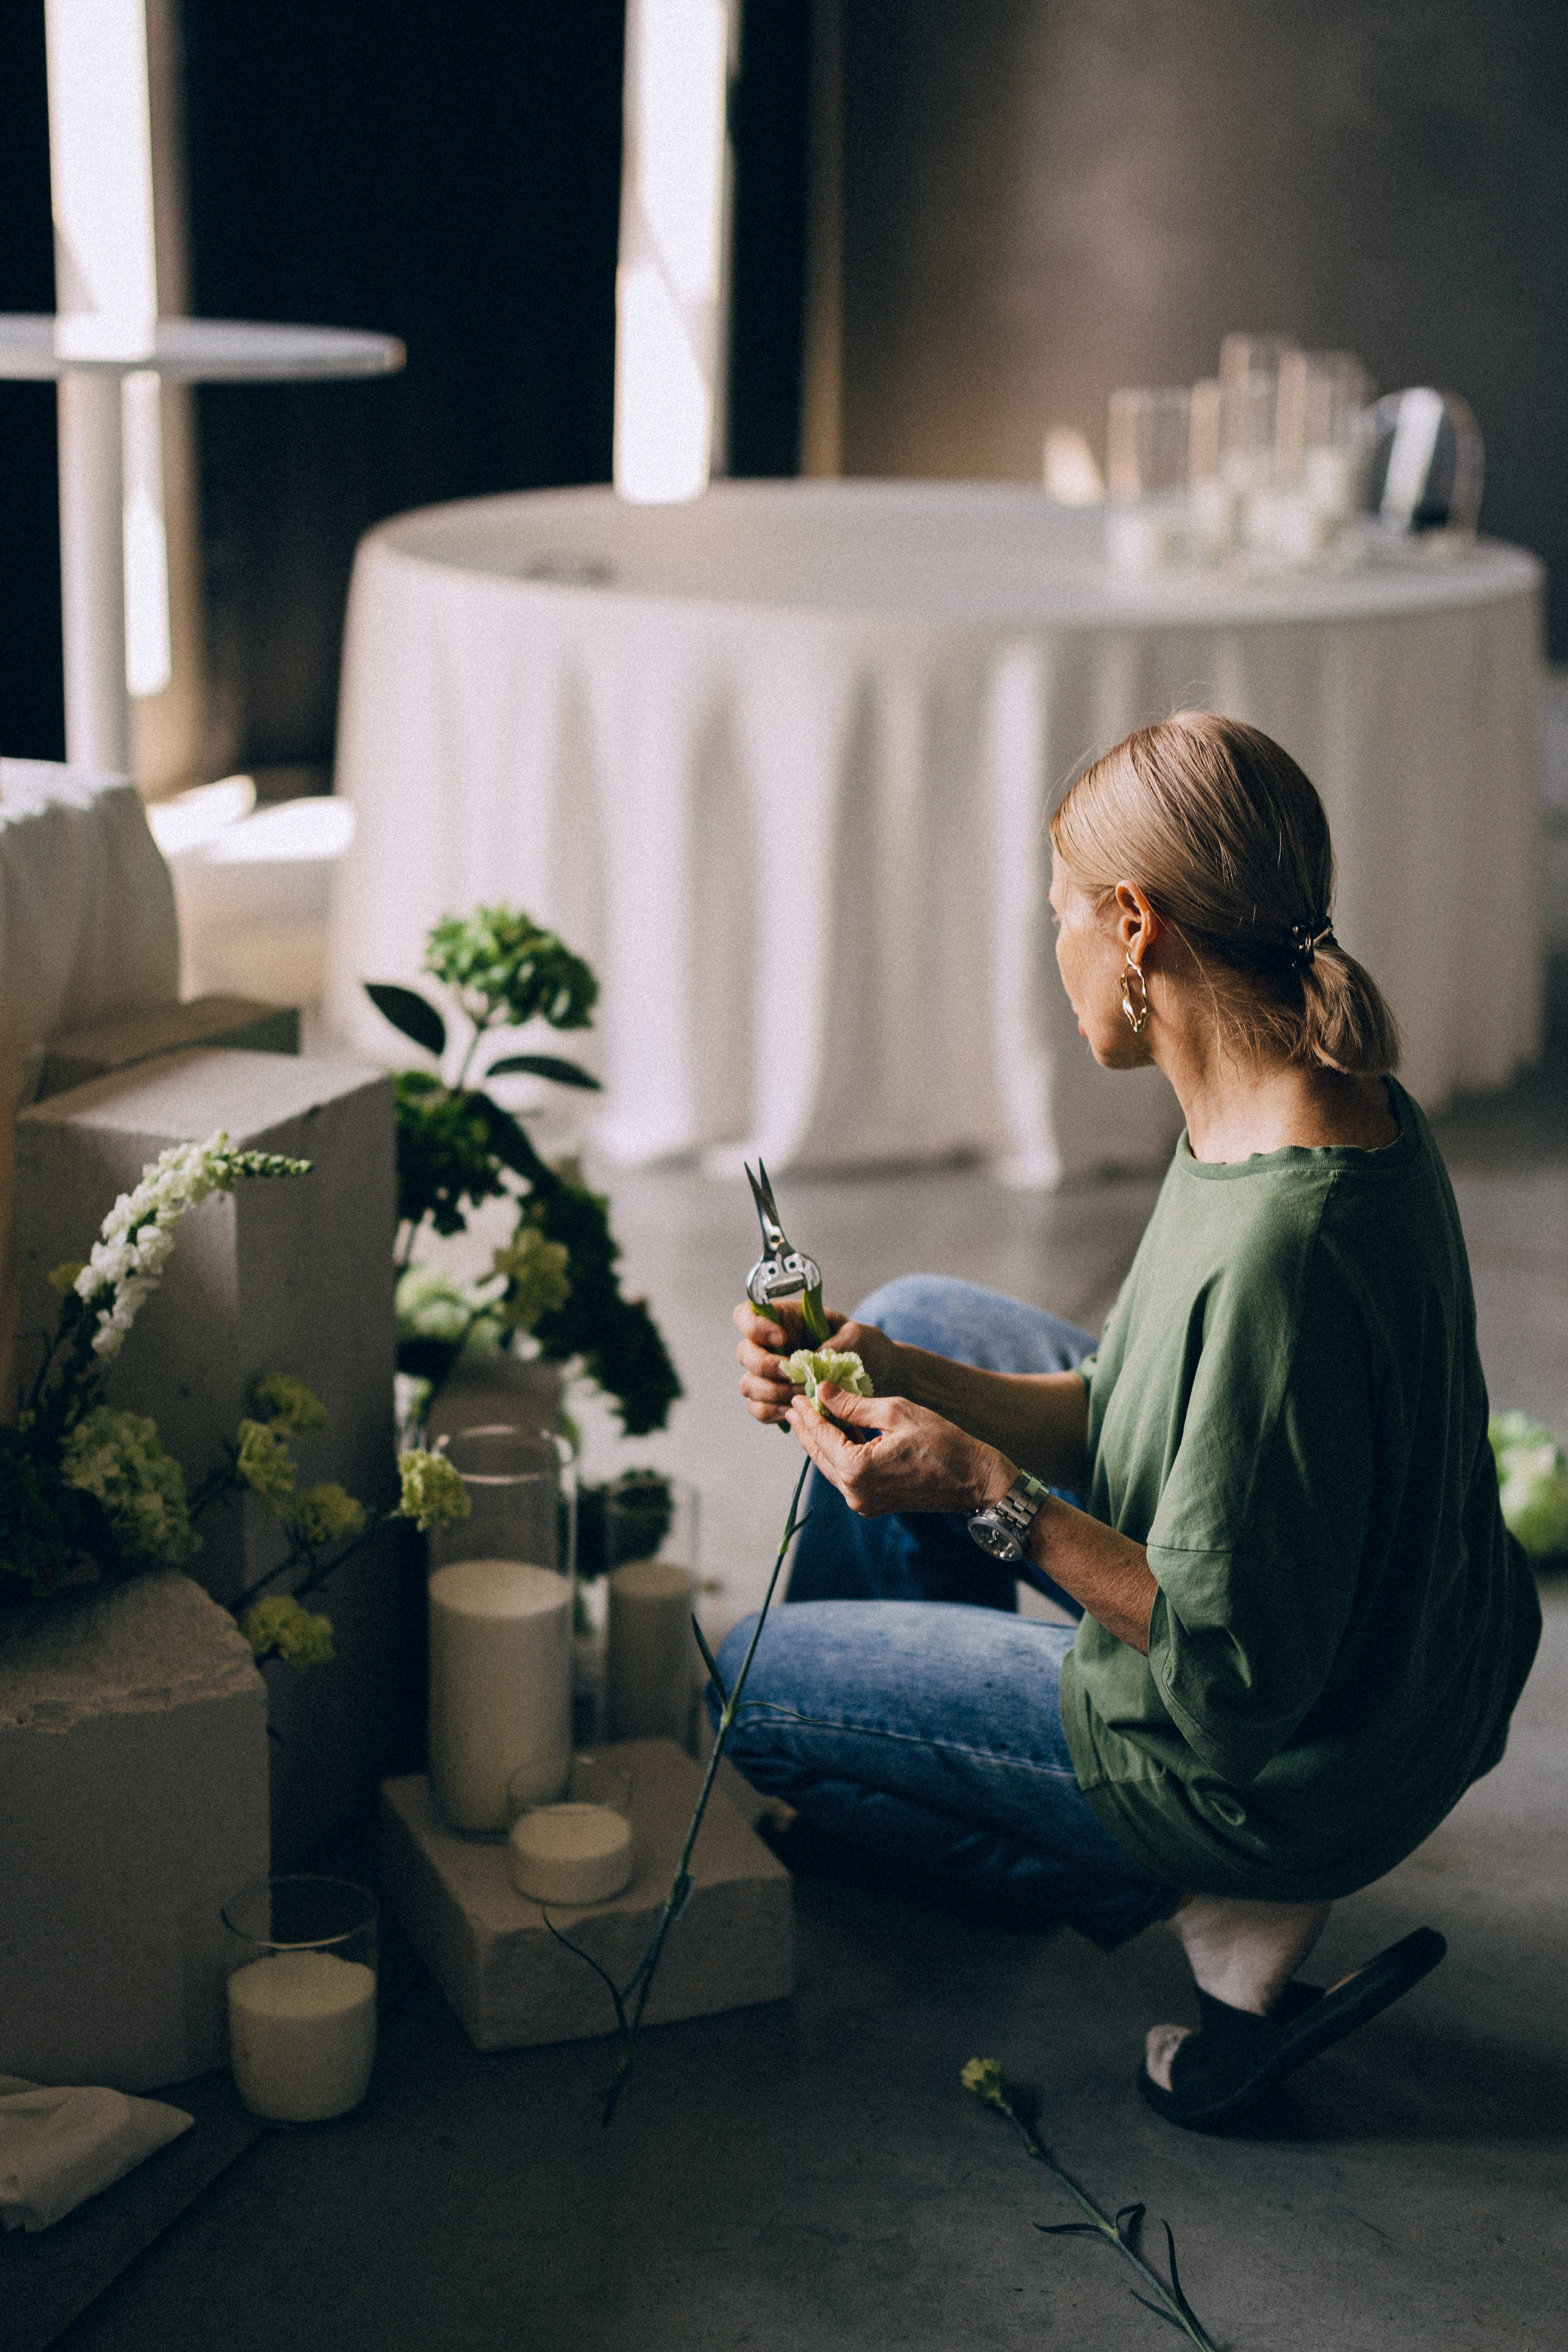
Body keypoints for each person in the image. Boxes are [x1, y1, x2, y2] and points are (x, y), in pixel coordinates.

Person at [722, 710, 1541, 2134]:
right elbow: (1137, 1403)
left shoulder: (1280, 1250)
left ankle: (1206, 1885)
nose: (1054, 960)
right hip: (1400, 1668)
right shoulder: (1305, 1104)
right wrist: (891, 1372)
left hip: (1268, 1767)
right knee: (920, 1306)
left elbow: (1229, 1663)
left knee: (745, 1686)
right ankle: (931, 1769)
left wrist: (978, 1491)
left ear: (1133, 926)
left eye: (1058, 920)